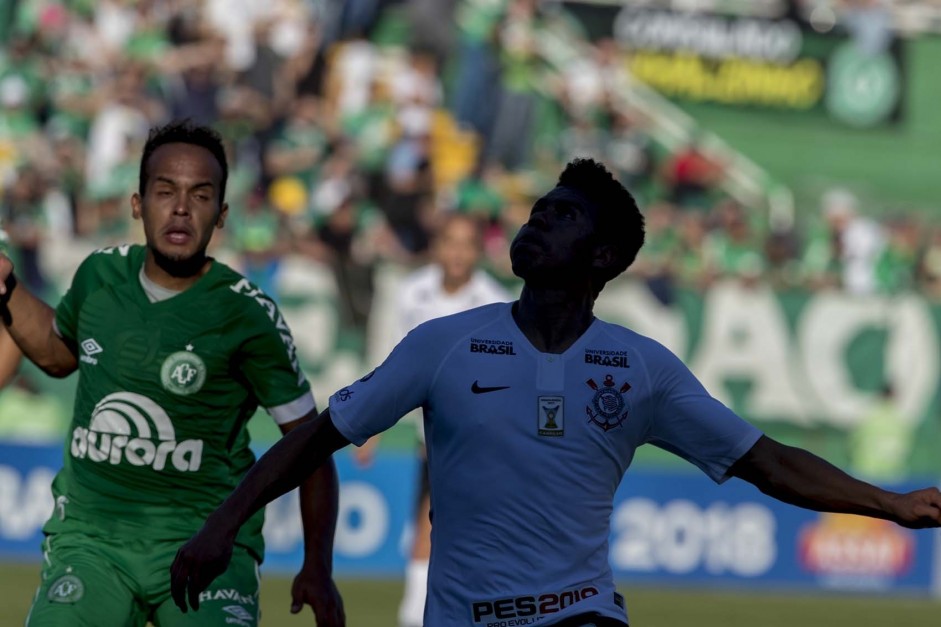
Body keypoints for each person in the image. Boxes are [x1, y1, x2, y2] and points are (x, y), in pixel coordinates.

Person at [170, 158, 941, 627]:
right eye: (539, 208)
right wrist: (226, 523)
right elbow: (320, 433)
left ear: (602, 256)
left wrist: (890, 503)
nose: (538, 219)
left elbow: (764, 460)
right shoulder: (443, 343)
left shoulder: (640, 368)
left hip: (580, 616)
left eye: (562, 216)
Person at [0, 121, 345, 627]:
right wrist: (6, 286)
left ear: (221, 214)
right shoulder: (100, 275)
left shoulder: (248, 315)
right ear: (138, 203)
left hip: (205, 547)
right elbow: (56, 355)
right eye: (165, 191)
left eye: (200, 195)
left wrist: (318, 564)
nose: (181, 207)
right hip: (93, 541)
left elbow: (311, 446)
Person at [355, 212, 511, 627]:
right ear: (438, 246)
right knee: (430, 520)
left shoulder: (494, 302)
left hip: (484, 438)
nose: (458, 252)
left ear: (478, 251)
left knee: (459, 528)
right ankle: (417, 613)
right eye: (450, 242)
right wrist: (370, 424)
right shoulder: (412, 293)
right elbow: (390, 360)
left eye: (466, 243)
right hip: (435, 435)